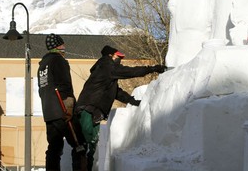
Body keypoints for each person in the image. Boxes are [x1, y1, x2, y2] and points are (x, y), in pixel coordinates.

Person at [75, 45, 166, 171]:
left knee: (92, 145)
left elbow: (116, 92)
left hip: (94, 112)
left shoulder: (106, 72)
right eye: (118, 57)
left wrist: (132, 101)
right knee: (85, 144)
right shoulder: (106, 66)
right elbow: (129, 72)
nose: (120, 60)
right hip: (87, 110)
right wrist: (153, 69)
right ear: (110, 56)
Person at [37, 33, 87, 171]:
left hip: (49, 113)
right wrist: (69, 108)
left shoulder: (42, 65)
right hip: (63, 111)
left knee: (54, 148)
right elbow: (65, 86)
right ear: (58, 46)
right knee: (80, 144)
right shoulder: (59, 60)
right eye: (63, 44)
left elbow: (41, 90)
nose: (64, 47)